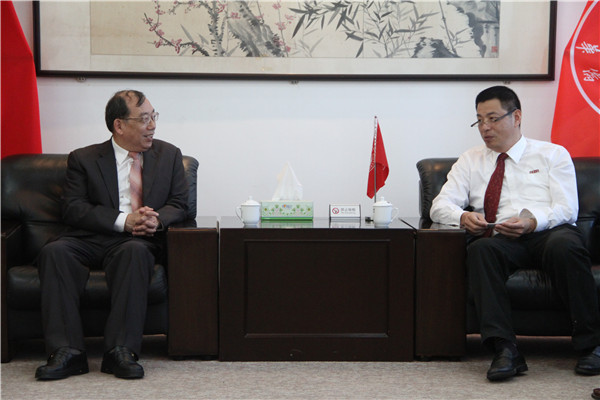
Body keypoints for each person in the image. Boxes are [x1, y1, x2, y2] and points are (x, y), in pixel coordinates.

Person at [430, 85, 600, 381]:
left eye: (493, 118)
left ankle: (591, 345)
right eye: (479, 120)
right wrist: (463, 216)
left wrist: (532, 221)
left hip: (549, 232)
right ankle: (505, 350)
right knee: (481, 250)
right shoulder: (470, 160)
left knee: (566, 246)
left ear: (516, 116)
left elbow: (567, 208)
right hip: (502, 237)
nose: (485, 127)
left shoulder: (552, 154)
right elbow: (439, 206)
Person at [35, 90, 189, 380]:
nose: (152, 125)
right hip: (91, 236)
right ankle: (67, 352)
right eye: (144, 119)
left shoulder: (169, 155)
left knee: (134, 252)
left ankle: (121, 351)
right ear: (119, 125)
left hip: (138, 240)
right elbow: (73, 208)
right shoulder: (84, 158)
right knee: (54, 252)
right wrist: (124, 221)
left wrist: (155, 220)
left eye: (154, 117)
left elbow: (180, 204)